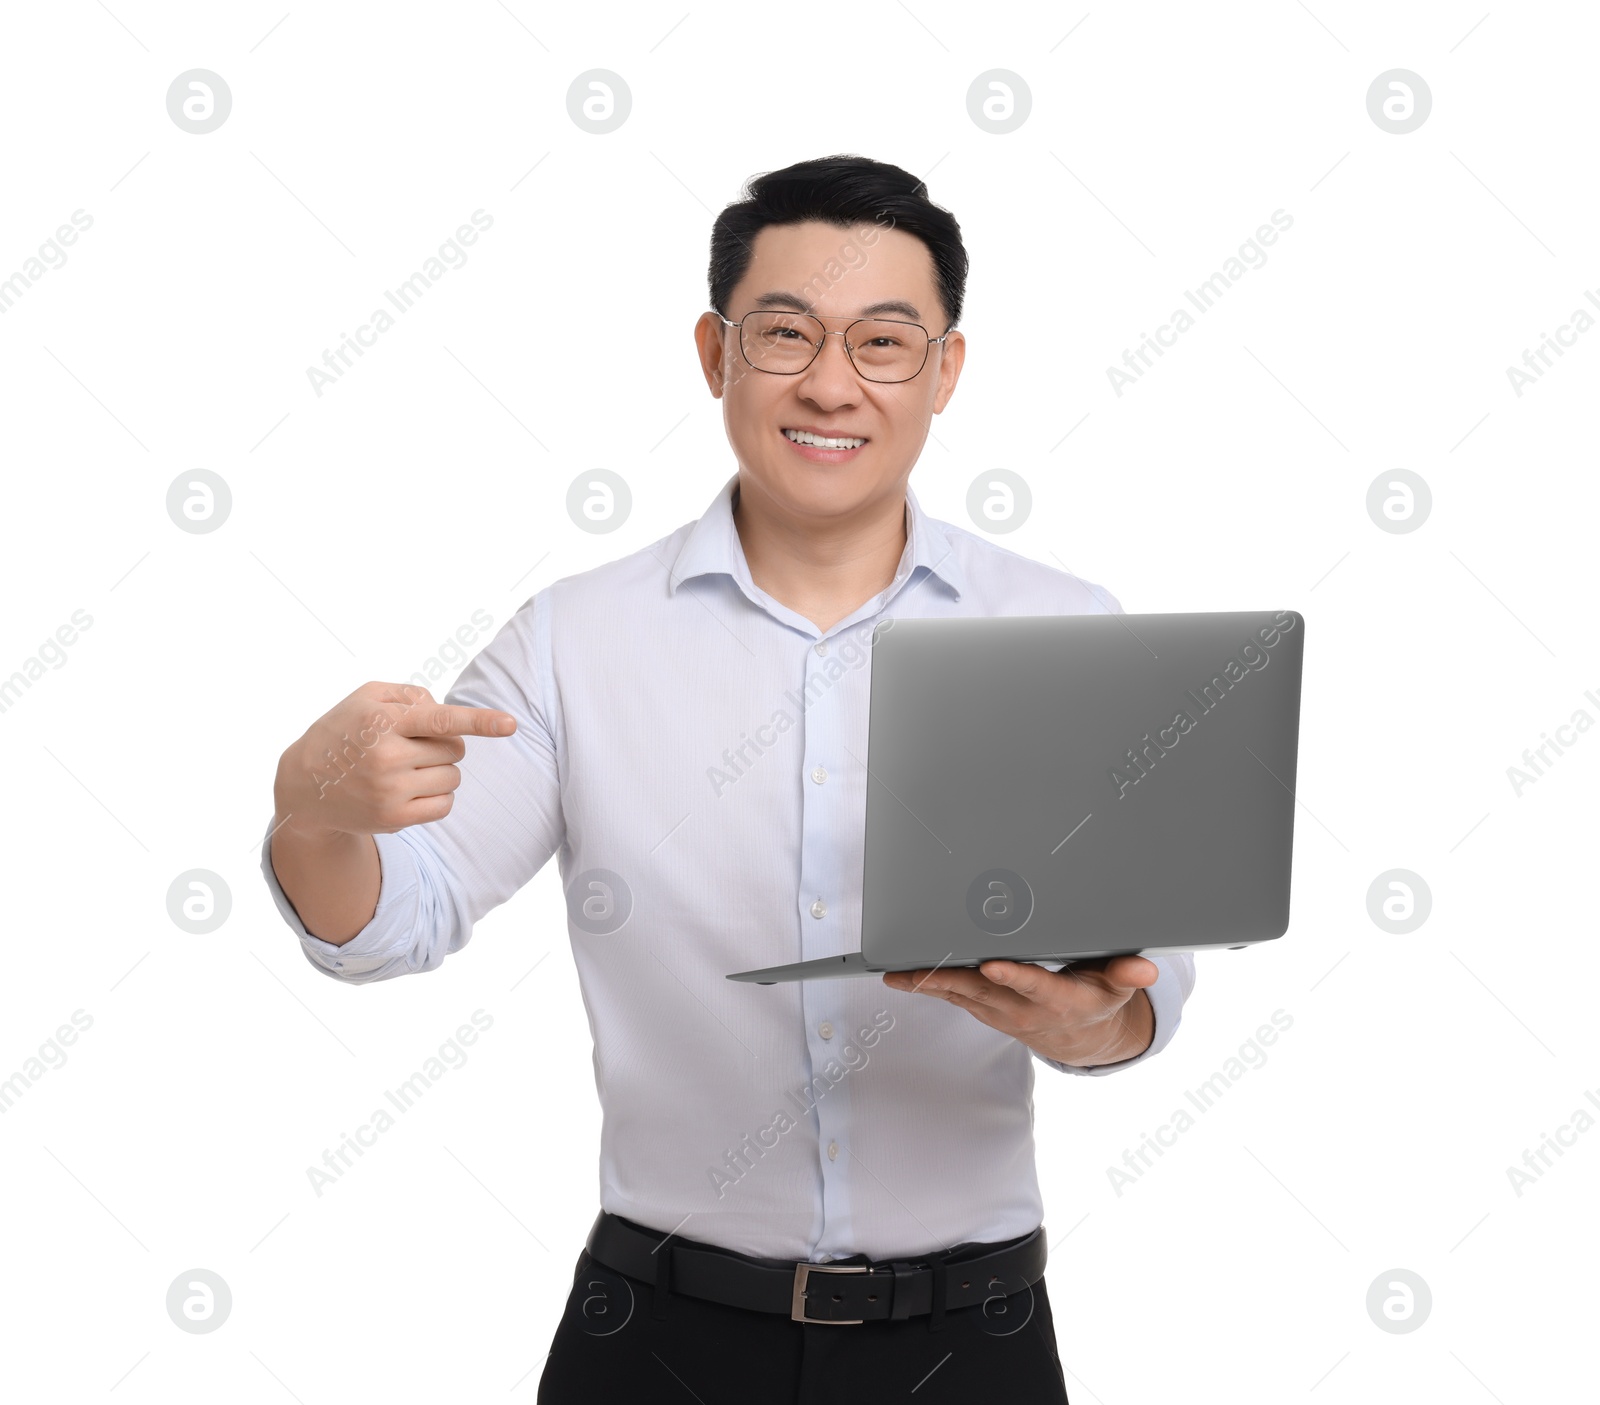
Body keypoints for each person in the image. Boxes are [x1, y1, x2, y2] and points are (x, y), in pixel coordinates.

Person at [261, 153, 1196, 1404]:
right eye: (783, 334)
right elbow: (394, 922)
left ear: (944, 372)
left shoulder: (1064, 628)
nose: (828, 383)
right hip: (656, 1337)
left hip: (968, 1342)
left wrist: (1101, 1025)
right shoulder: (573, 639)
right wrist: (310, 815)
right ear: (714, 354)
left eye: (882, 341)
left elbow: (1144, 965)